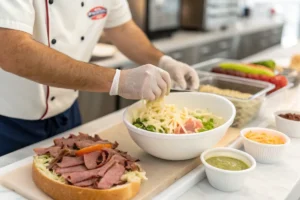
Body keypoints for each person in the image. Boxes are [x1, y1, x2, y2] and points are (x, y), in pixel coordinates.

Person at [0, 0, 199, 156]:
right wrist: (118, 80)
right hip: (7, 122)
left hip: (67, 113)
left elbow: (122, 28)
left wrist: (163, 61)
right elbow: (11, 50)